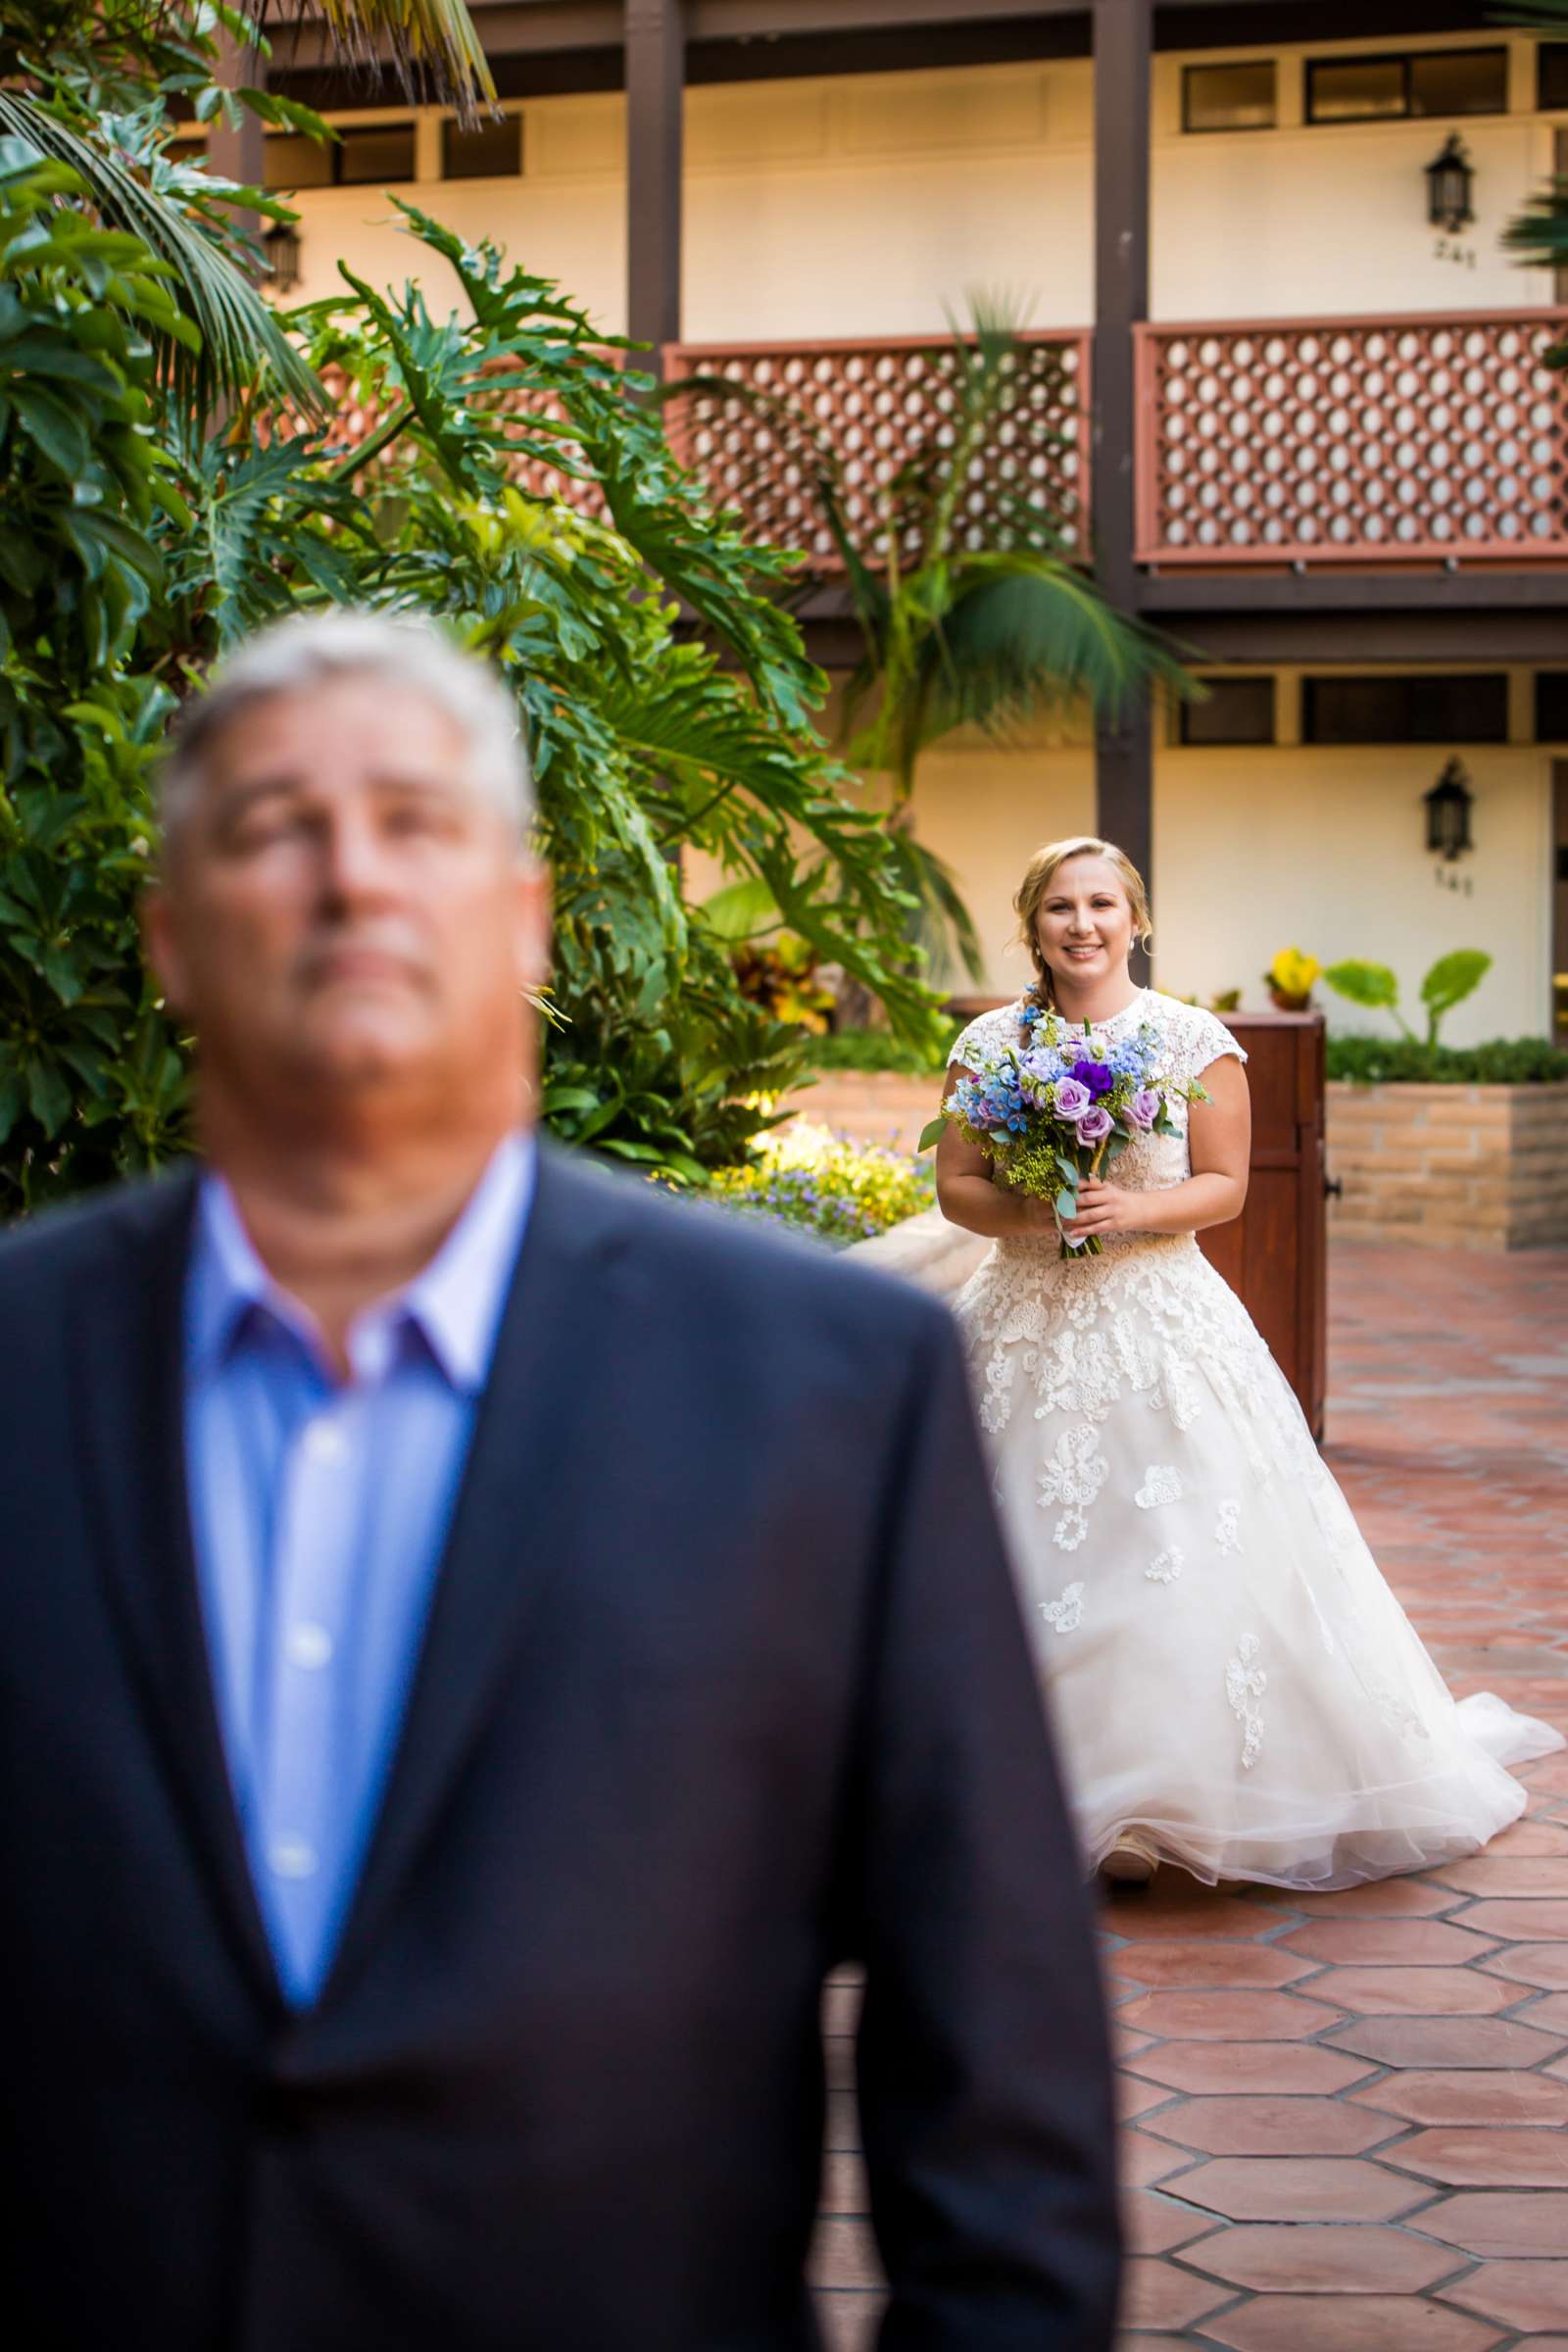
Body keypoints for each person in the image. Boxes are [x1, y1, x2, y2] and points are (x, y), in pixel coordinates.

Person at [0, 614, 1119, 2352]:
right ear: (168, 937)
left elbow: (997, 2083)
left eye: (416, 821)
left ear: (522, 917)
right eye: (275, 826)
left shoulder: (823, 1389)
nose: (350, 875)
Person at [936, 834, 1563, 1892]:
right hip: (1023, 1317)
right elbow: (957, 1186)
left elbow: (1225, 1185)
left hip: (1156, 1319)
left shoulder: (1189, 1038)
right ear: (1030, 923)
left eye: (1100, 904)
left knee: (1165, 1546)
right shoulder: (990, 1043)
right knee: (1010, 1548)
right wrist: (1040, 1213)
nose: (1080, 926)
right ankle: (990, 1784)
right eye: (1058, 908)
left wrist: (1128, 1207)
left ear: (1135, 919)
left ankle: (1143, 1804)